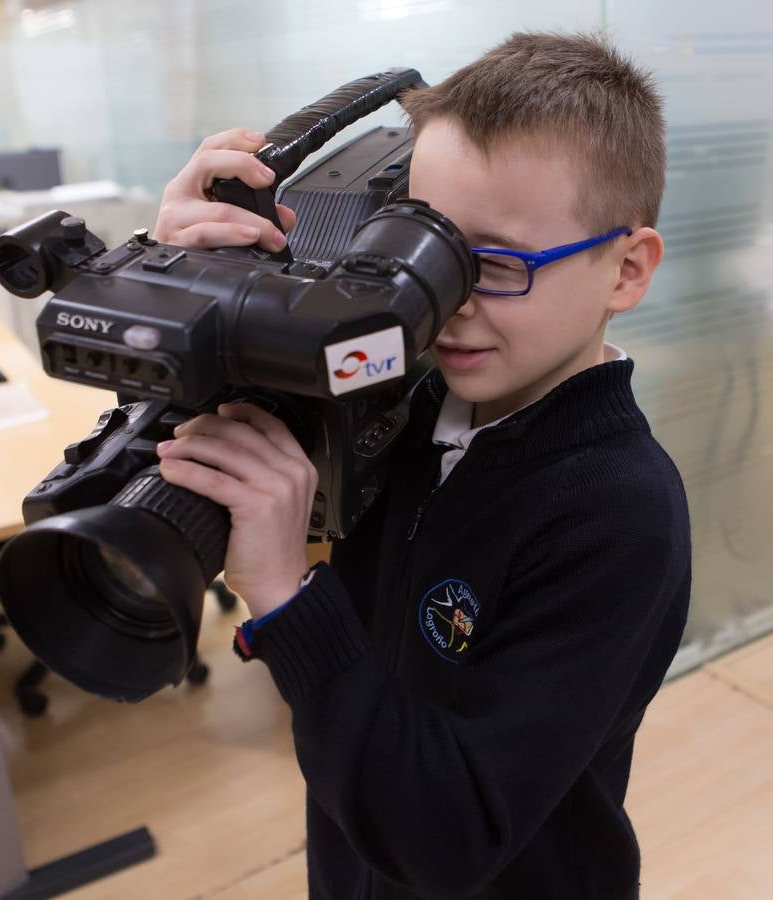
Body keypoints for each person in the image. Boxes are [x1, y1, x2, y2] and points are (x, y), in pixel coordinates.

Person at [152, 31, 691, 900]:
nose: (446, 304)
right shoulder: (408, 391)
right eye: (427, 251)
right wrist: (191, 278)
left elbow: (450, 837)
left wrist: (290, 598)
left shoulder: (622, 513)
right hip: (351, 855)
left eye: (499, 265)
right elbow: (199, 430)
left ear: (625, 269)